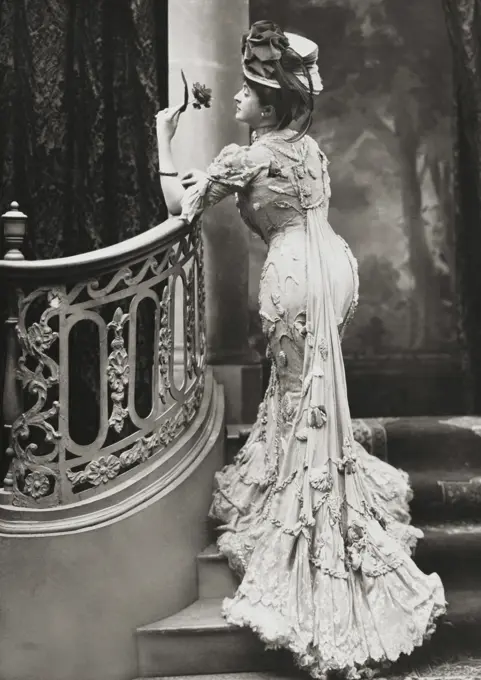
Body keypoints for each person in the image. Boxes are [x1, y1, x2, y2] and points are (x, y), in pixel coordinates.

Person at [155, 20, 446, 680]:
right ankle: (318, 481)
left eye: (246, 92)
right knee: (310, 398)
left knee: (297, 397)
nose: (235, 99)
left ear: (267, 101)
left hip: (293, 276)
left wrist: (163, 138)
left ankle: (313, 535)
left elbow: (178, 207)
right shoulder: (304, 149)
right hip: (333, 268)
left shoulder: (246, 157)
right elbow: (274, 192)